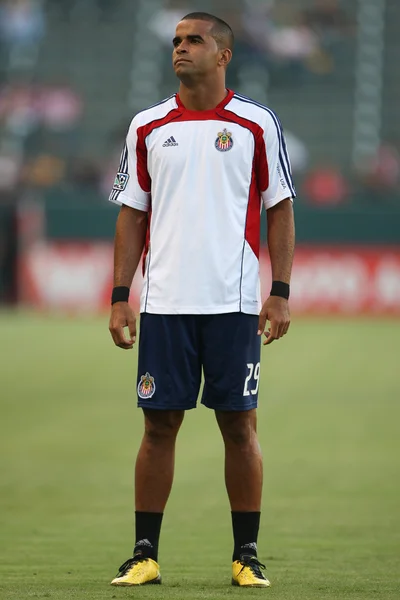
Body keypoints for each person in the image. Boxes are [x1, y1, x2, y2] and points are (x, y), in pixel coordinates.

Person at [108, 11, 295, 588]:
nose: (180, 49)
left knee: (239, 427)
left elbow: (280, 208)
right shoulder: (147, 125)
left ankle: (246, 555)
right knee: (157, 427)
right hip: (164, 304)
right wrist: (121, 296)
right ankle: (144, 554)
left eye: (194, 41)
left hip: (234, 303)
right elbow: (130, 215)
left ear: (223, 55)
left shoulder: (255, 124)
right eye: (176, 41)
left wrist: (280, 292)